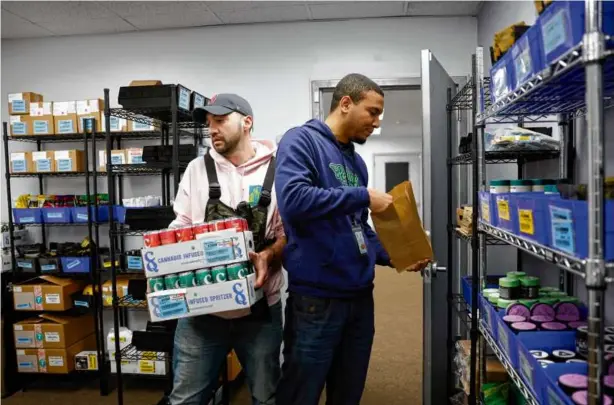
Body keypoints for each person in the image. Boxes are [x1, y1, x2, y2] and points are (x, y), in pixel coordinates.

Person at [275, 73, 398, 405]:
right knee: (301, 393)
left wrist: (393, 254)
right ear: (346, 103)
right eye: (372, 112)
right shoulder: (301, 141)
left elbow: (357, 225)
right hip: (317, 300)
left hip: (360, 298)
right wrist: (361, 196)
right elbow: (295, 201)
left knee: (348, 393)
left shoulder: (356, 163)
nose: (376, 121)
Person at [168, 94, 286, 405]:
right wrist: (164, 255)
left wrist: (270, 255)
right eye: (209, 124)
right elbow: (181, 220)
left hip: (260, 309)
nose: (213, 130)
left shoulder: (280, 170)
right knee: (186, 398)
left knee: (265, 395)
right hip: (201, 309)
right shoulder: (196, 169)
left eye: (220, 121)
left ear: (247, 122)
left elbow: (291, 233)